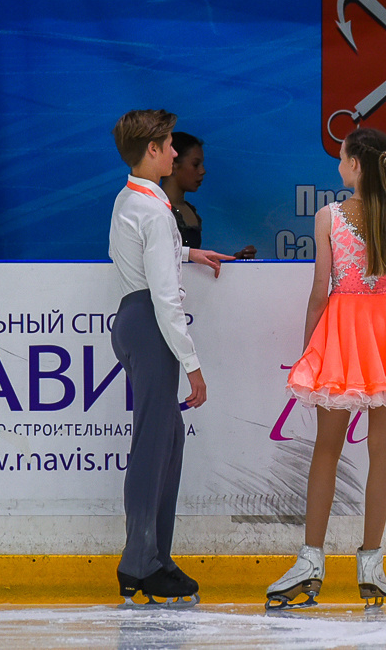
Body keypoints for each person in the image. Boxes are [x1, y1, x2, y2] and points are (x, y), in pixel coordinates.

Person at [266, 128, 386, 611]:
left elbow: (321, 287)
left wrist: (310, 350)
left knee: (327, 448)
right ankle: (371, 565)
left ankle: (311, 561)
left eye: (342, 159)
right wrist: (383, 275)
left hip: (342, 331)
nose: (338, 166)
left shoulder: (329, 217)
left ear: (357, 165)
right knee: (383, 451)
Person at [109, 109, 235, 608]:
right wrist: (193, 364)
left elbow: (138, 253)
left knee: (165, 443)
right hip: (150, 325)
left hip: (133, 319)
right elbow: (166, 298)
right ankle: (140, 562)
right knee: (153, 445)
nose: (176, 153)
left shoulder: (132, 198)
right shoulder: (157, 212)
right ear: (153, 152)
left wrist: (187, 254)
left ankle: (154, 557)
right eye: (168, 145)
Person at [161, 131, 256, 259]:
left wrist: (234, 261)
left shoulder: (190, 210)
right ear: (173, 165)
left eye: (202, 164)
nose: (202, 171)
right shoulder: (156, 209)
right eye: (195, 165)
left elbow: (195, 265)